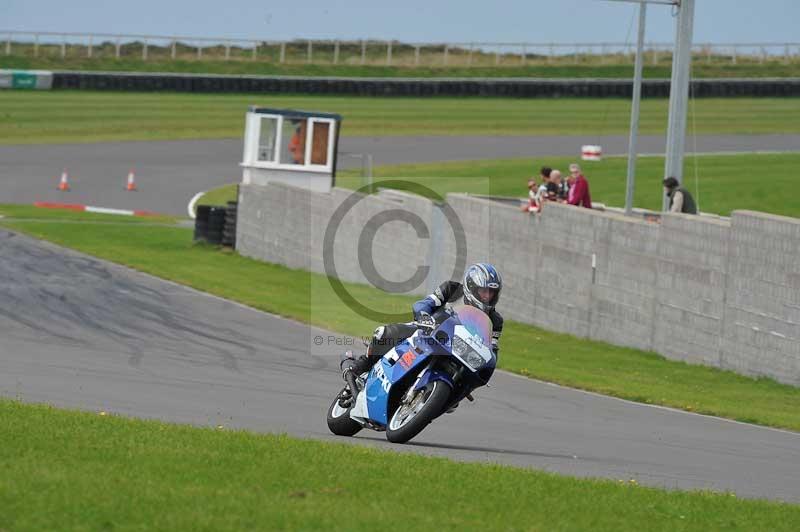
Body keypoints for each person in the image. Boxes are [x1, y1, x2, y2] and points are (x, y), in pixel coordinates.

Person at [341, 263, 504, 381]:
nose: (487, 297)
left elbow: (491, 350)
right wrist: (425, 317)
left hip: (458, 353)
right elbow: (423, 304)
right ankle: (362, 364)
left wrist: (487, 366)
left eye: (491, 293)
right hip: (428, 332)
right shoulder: (451, 289)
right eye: (484, 291)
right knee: (385, 333)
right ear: (471, 287)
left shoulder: (495, 321)